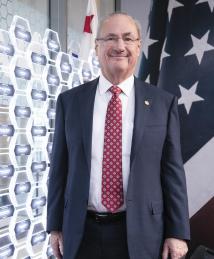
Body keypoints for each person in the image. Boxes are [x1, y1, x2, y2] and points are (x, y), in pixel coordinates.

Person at [47, 12, 190, 259]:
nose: (119, 46)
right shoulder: (69, 102)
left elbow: (172, 173)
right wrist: (55, 226)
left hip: (142, 233)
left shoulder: (163, 103)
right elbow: (59, 169)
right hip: (81, 232)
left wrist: (177, 232)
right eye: (110, 38)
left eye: (127, 38)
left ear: (138, 46)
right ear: (97, 46)